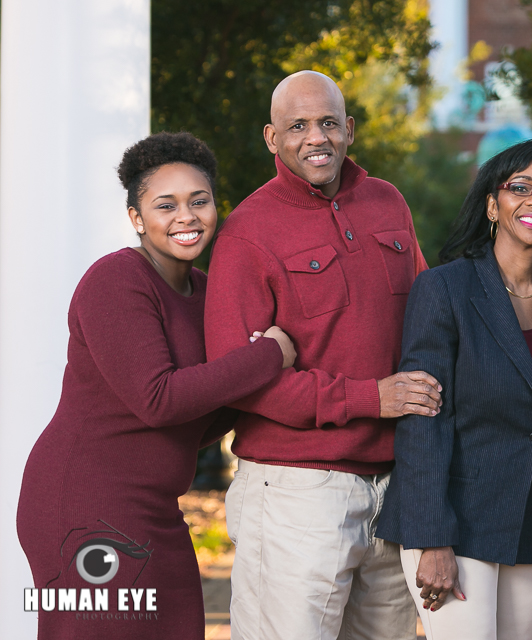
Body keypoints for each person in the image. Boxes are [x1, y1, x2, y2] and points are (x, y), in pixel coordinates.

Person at [16, 132, 297, 640]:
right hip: (85, 504)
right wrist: (268, 355)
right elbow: (160, 401)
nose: (186, 217)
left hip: (156, 509)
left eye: (199, 201)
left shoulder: (205, 290)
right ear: (137, 218)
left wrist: (258, 381)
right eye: (165, 205)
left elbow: (205, 410)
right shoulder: (116, 282)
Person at [203, 70, 440, 640]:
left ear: (350, 129)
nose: (317, 137)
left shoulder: (388, 204)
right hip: (297, 494)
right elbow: (241, 380)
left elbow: (429, 323)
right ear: (271, 138)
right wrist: (370, 398)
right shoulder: (246, 232)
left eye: (329, 122)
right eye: (299, 126)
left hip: (394, 488)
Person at [376, 139, 532, 639]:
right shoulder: (446, 289)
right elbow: (422, 417)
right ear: (493, 204)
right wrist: (432, 539)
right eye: (521, 187)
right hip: (454, 521)